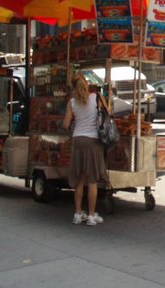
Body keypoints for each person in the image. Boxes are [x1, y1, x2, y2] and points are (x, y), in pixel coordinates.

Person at [62, 74, 108, 226]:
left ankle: (77, 213)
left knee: (80, 179)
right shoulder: (96, 98)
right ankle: (91, 215)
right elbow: (107, 114)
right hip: (93, 141)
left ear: (74, 87)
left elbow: (66, 124)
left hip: (78, 141)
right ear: (87, 84)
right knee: (92, 179)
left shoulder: (72, 103)